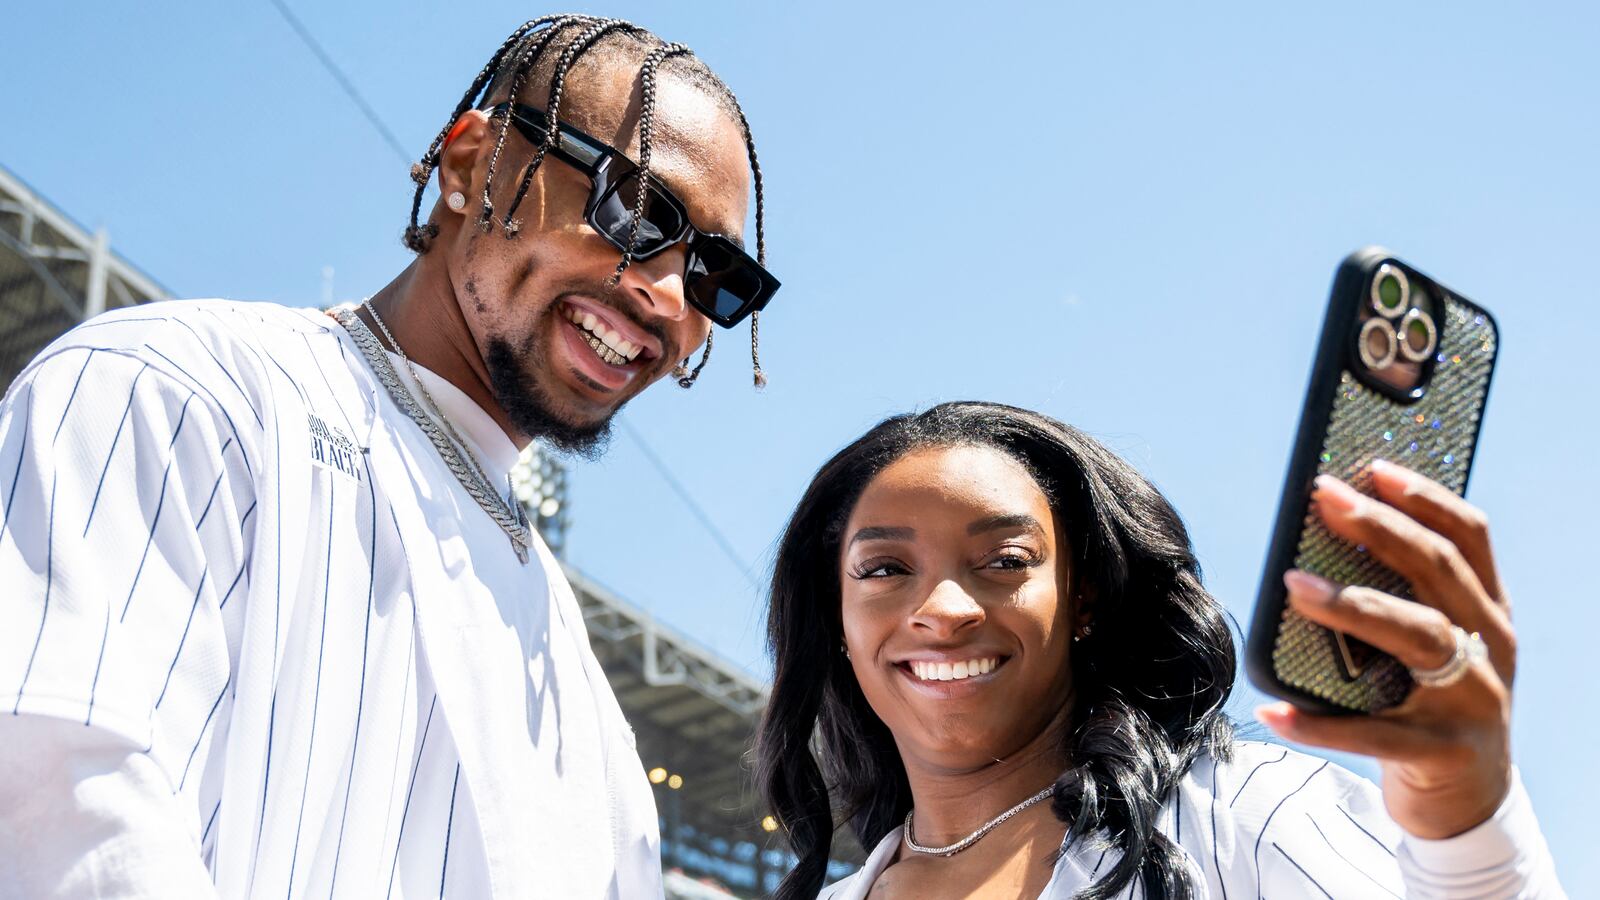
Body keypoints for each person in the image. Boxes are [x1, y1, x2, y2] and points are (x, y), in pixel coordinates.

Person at [0, 14, 778, 898]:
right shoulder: (181, 392)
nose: (668, 294)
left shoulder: (582, 691)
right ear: (468, 166)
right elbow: (57, 803)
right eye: (637, 209)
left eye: (717, 276)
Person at [758, 402, 1564, 899]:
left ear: (1084, 600)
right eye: (885, 569)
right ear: (837, 619)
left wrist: (1469, 814)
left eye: (1005, 561)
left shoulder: (1242, 813)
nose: (941, 610)